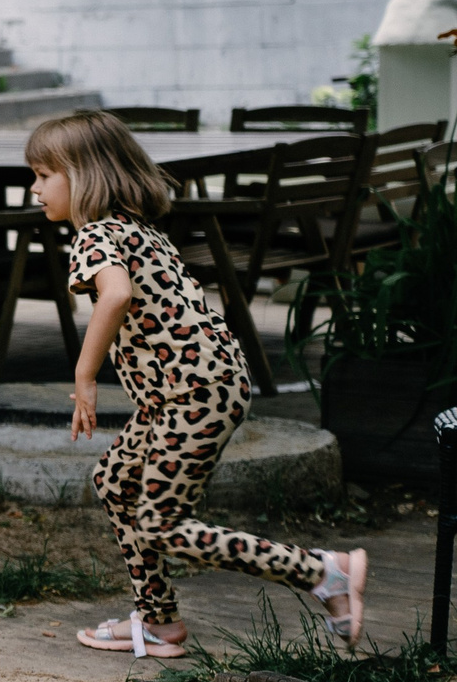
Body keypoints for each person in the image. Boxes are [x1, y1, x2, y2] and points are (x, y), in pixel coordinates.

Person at [24, 110, 369, 654]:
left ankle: (323, 572)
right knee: (116, 481)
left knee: (160, 524)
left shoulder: (94, 237)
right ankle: (158, 620)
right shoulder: (138, 230)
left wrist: (84, 375)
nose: (34, 188)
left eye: (44, 175)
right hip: (191, 391)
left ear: (85, 175)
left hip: (192, 394)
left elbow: (113, 296)